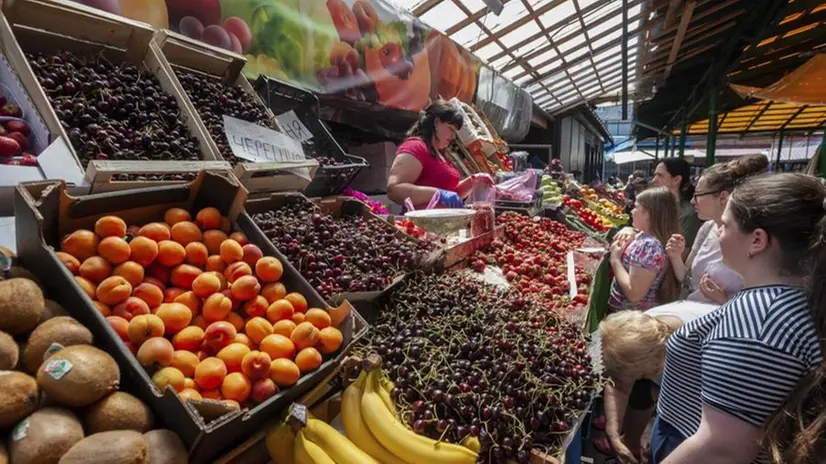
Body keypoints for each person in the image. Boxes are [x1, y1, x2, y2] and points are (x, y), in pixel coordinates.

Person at [652, 173, 824, 463]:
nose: (718, 231)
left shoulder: (758, 322)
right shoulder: (787, 300)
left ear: (757, 240)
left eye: (725, 225)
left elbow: (721, 448)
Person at [600, 303, 718, 463]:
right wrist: (613, 434)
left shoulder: (704, 350)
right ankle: (633, 444)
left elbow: (703, 421)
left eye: (643, 373)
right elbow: (619, 385)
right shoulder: (641, 330)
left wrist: (665, 447)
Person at [666, 155, 768, 304]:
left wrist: (724, 301)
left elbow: (757, 302)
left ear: (722, 197)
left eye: (698, 194)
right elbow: (688, 280)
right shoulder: (707, 228)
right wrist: (675, 256)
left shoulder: (751, 239)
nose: (693, 201)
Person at [386, 100, 492, 209]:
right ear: (436, 122)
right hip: (420, 224)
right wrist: (438, 194)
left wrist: (472, 181)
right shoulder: (415, 146)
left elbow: (451, 195)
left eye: (455, 132)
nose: (453, 136)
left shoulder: (439, 154)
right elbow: (394, 190)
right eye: (451, 129)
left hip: (443, 222)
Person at [608, 187, 681, 312]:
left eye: (636, 207)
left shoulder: (649, 247)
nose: (632, 211)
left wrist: (615, 260)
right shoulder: (645, 236)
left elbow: (634, 294)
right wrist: (630, 230)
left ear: (648, 214)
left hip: (629, 320)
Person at [653, 159, 703, 256]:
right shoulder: (654, 206)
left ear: (676, 180)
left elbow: (684, 253)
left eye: (660, 175)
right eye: (655, 175)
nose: (654, 180)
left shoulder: (688, 213)